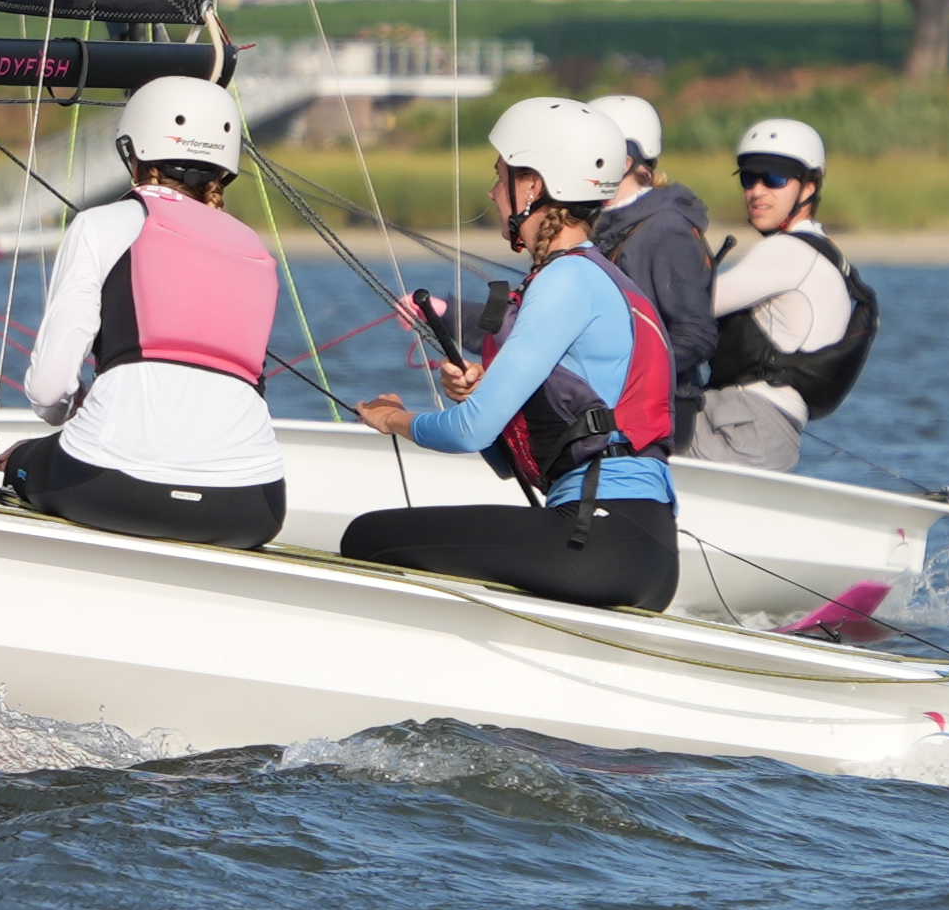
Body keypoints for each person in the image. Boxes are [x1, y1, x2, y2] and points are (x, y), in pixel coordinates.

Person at [342, 96, 682, 611]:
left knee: (367, 537)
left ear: (533, 186)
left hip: (600, 536)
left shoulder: (566, 280)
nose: (492, 192)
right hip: (633, 544)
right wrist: (481, 394)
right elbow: (505, 459)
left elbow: (469, 431)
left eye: (500, 177)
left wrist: (393, 418)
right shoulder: (589, 277)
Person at [1, 76, 289, 550]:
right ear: (226, 166)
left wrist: (64, 417)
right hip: (252, 506)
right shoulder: (256, 248)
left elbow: (47, 390)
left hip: (109, 487)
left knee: (22, 459)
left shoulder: (102, 225)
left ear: (134, 151)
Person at [690, 114, 875, 473]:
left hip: (743, 428)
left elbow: (690, 306)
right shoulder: (824, 254)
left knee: (615, 434)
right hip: (769, 436)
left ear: (808, 188)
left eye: (774, 179)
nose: (757, 191)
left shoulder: (787, 252)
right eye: (749, 178)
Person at [584, 90, 717, 452]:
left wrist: (621, 369)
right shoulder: (596, 225)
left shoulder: (666, 230)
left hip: (657, 418)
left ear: (624, 160)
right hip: (611, 412)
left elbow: (696, 334)